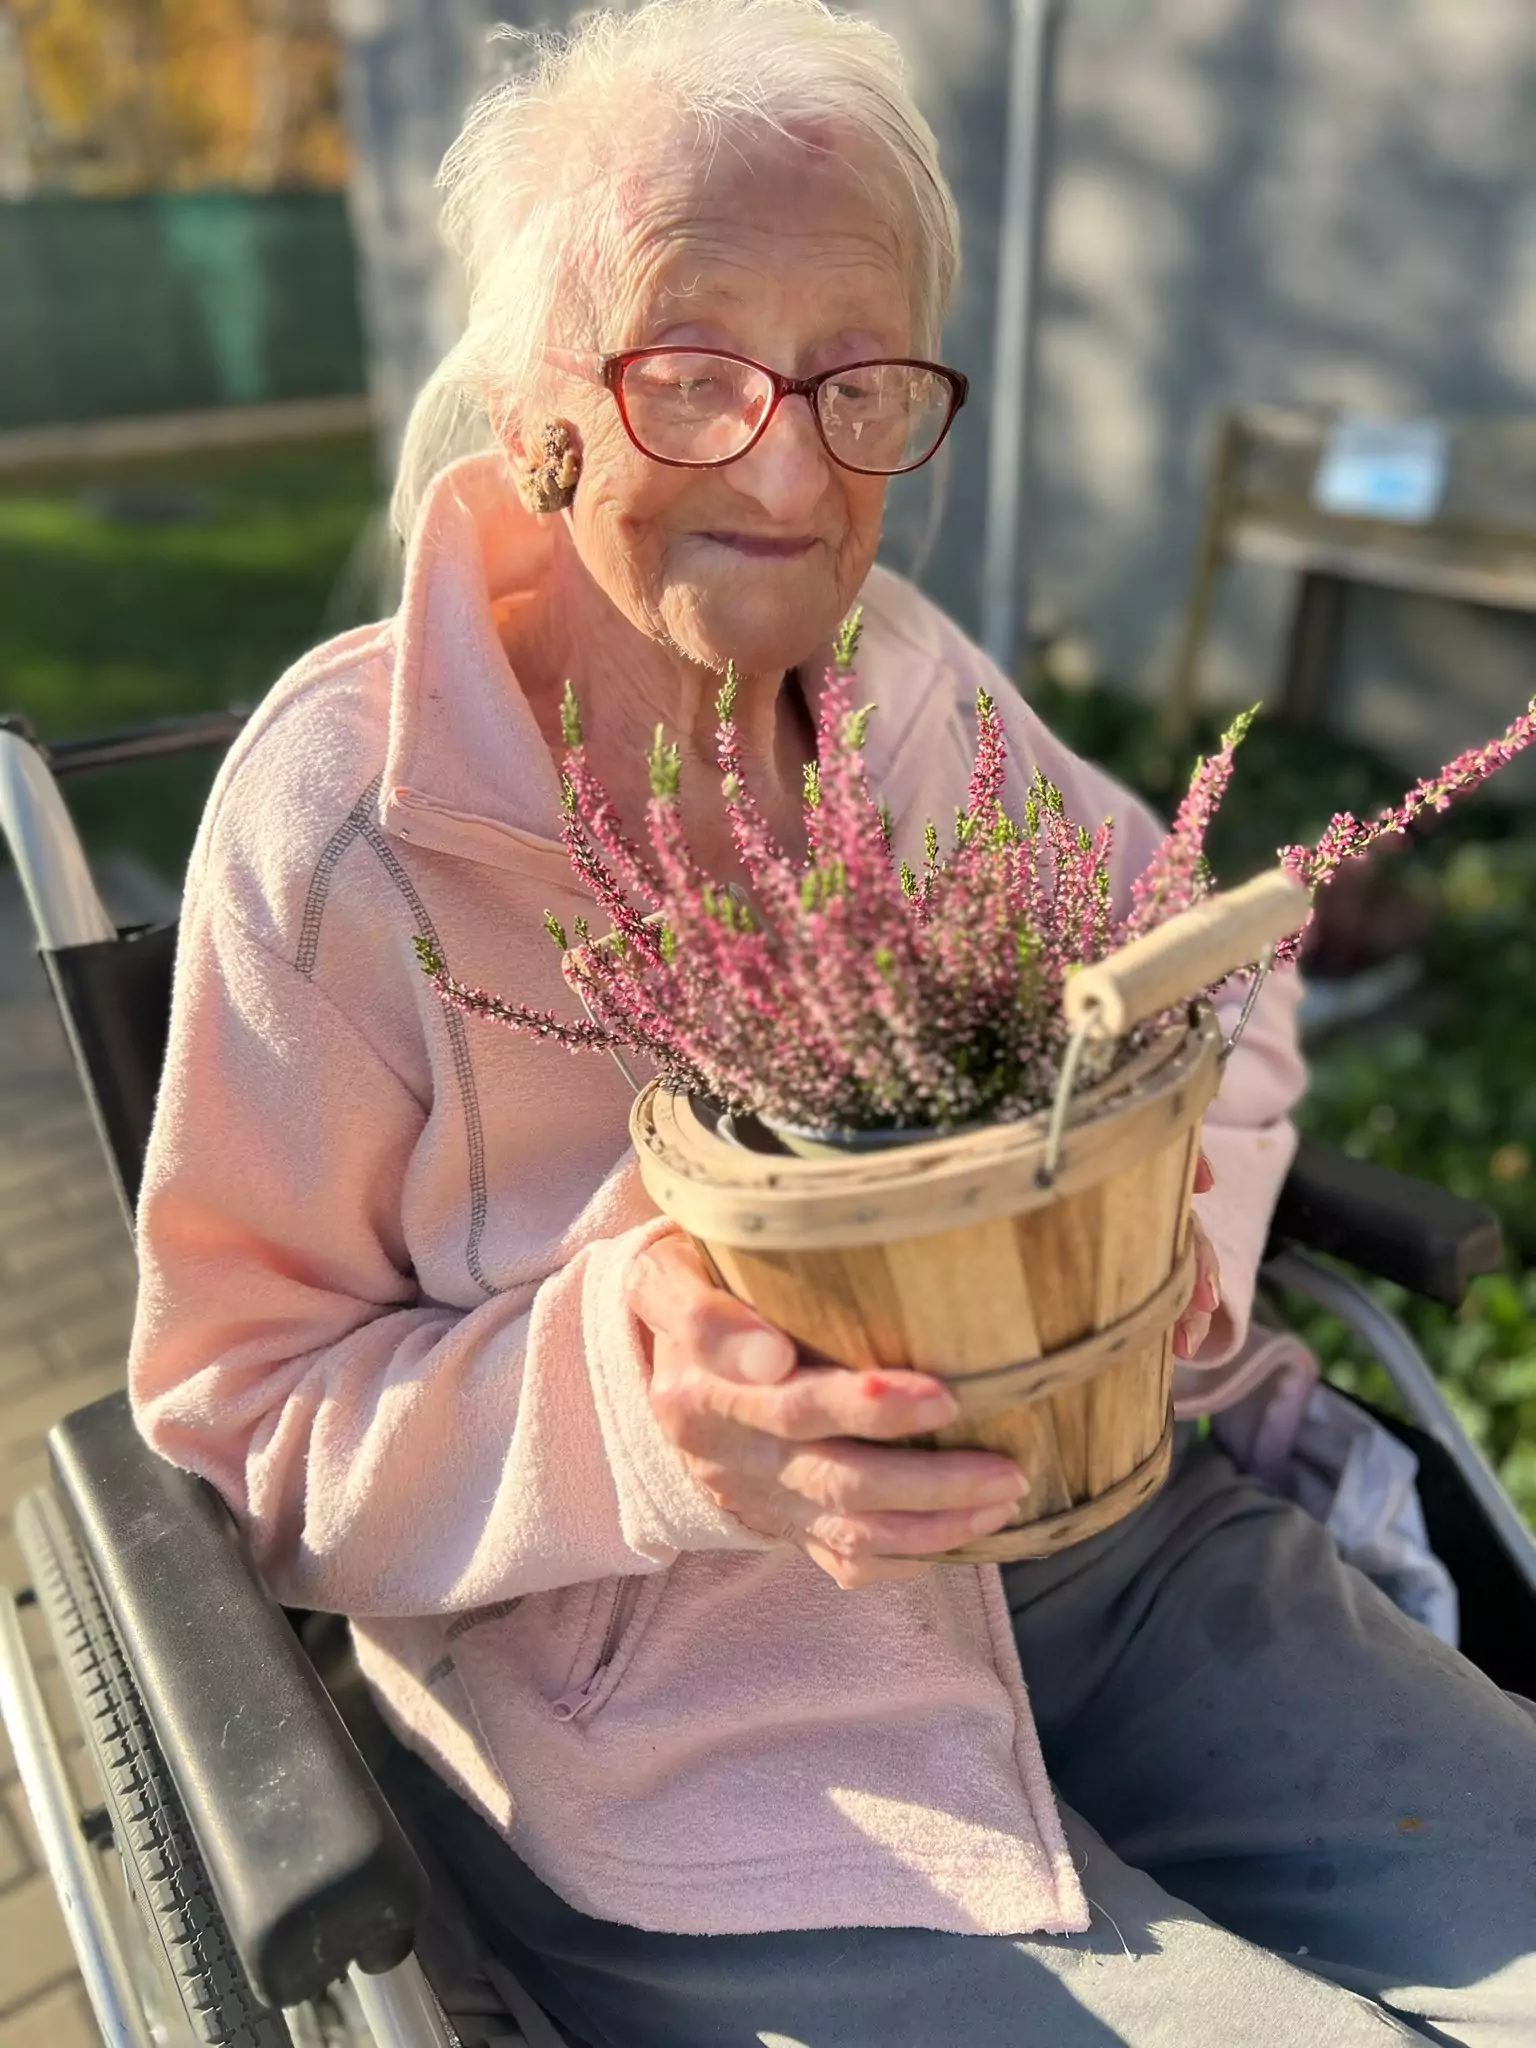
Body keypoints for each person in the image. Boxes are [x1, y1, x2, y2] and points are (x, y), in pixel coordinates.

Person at [128, 4, 1536, 2042]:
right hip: (696, 1735)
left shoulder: (912, 693)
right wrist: (642, 1412)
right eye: (693, 374)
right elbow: (245, 1424)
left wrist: (1158, 1265)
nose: (790, 469)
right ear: (539, 407)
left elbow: (1212, 977)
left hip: (1119, 1552)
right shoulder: (350, 822)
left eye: (858, 381)